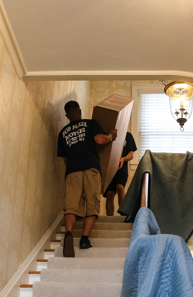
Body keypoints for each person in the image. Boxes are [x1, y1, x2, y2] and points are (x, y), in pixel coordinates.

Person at [57, 100, 116, 257]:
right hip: (91, 168)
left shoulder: (63, 132)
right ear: (80, 112)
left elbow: (65, 159)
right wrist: (111, 136)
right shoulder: (90, 123)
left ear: (67, 115)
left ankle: (68, 233)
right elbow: (99, 140)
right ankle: (84, 239)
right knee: (92, 203)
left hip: (72, 171)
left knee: (71, 205)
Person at [103, 132, 137, 216]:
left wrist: (123, 159)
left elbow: (131, 154)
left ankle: (124, 215)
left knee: (120, 187)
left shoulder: (127, 135)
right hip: (108, 168)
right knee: (110, 193)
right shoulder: (106, 134)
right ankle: (109, 218)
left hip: (121, 167)